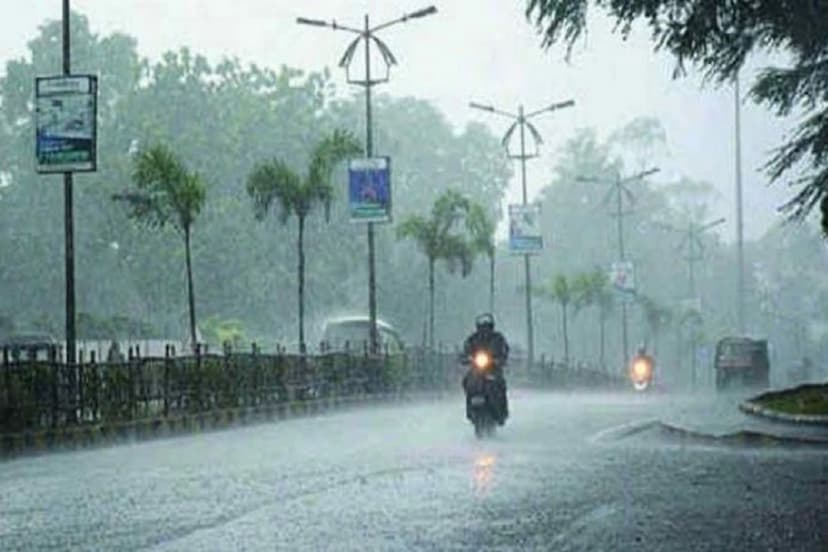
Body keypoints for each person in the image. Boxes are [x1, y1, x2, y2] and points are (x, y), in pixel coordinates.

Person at [462, 313, 509, 423]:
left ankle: (501, 411)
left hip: (493, 368)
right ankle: (470, 410)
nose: (484, 328)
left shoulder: (497, 338)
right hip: (476, 369)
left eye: (486, 326)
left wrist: (500, 359)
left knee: (499, 384)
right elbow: (466, 350)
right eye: (482, 326)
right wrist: (465, 358)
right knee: (466, 382)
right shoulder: (473, 339)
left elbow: (504, 350)